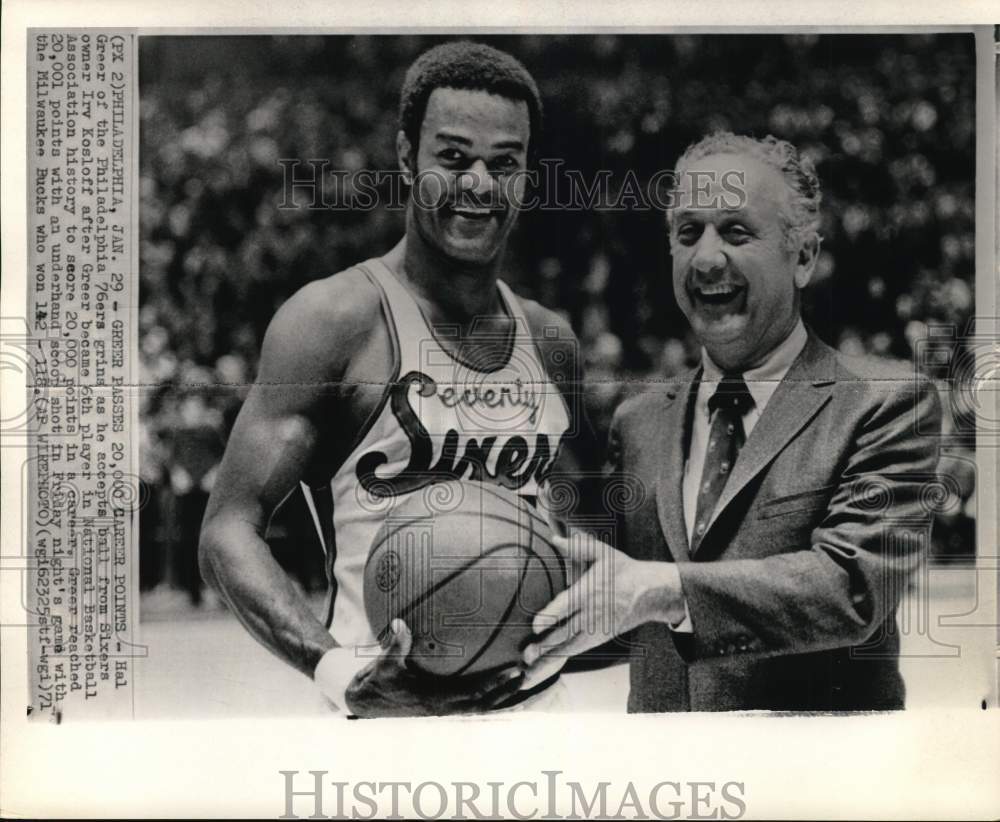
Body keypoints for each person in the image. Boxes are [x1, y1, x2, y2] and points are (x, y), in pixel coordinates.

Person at [199, 41, 594, 717]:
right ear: (407, 156)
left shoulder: (551, 341)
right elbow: (227, 531)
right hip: (385, 719)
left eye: (505, 164)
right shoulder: (333, 323)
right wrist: (334, 669)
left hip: (534, 719)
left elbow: (573, 524)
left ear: (528, 176)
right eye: (453, 157)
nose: (479, 183)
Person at [523, 132, 942, 711]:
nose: (707, 257)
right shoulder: (638, 420)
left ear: (804, 258)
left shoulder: (886, 401)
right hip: (669, 791)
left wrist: (667, 589)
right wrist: (458, 638)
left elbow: (853, 590)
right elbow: (611, 613)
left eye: (737, 231)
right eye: (689, 232)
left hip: (816, 792)